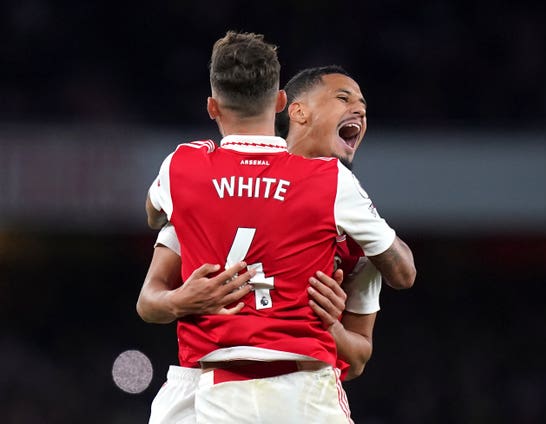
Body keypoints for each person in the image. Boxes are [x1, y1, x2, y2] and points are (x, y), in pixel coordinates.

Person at [144, 31, 416, 423]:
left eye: (364, 105)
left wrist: (330, 328)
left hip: (266, 388)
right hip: (246, 388)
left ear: (213, 107)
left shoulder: (187, 171)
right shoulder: (330, 185)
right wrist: (180, 301)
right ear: (290, 107)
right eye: (344, 98)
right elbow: (148, 300)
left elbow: (357, 359)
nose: (359, 111)